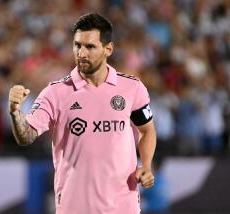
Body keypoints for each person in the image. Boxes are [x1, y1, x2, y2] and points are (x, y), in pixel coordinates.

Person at [9, 13, 156, 214]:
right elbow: (26, 136)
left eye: (90, 46)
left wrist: (146, 165)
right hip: (74, 207)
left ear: (108, 49)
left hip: (123, 207)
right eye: (77, 45)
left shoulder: (132, 88)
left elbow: (147, 130)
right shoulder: (55, 93)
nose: (81, 53)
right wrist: (15, 112)